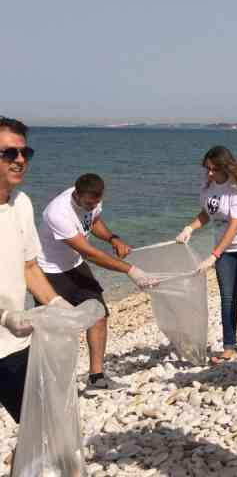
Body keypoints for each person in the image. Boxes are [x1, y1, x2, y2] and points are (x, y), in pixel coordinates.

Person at [37, 173, 157, 393]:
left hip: (75, 266)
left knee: (99, 314)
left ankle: (96, 378)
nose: (93, 205)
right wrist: (131, 270)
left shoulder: (93, 201)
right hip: (49, 273)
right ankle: (48, 386)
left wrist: (113, 238)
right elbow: (89, 253)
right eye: (89, 202)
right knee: (54, 331)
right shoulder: (58, 213)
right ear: (77, 194)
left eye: (97, 201)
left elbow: (94, 221)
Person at [0, 117, 71, 431]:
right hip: (8, 325)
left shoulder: (22, 204)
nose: (19, 160)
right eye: (9, 153)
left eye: (24, 153)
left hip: (12, 344)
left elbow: (29, 266)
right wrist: (4, 316)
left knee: (40, 426)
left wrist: (55, 302)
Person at [175, 146, 237, 363]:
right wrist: (189, 228)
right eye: (207, 169)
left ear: (225, 168)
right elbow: (207, 213)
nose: (209, 173)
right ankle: (229, 346)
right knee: (228, 296)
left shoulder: (236, 189)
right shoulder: (208, 187)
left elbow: (235, 224)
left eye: (213, 169)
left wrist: (213, 255)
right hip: (226, 247)